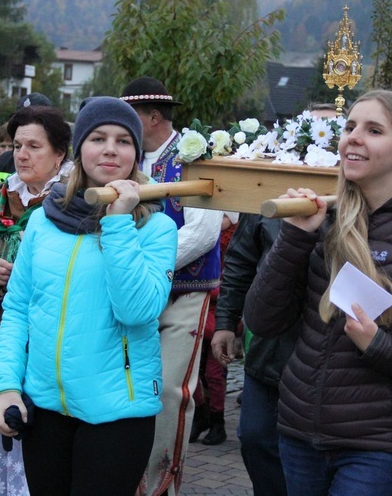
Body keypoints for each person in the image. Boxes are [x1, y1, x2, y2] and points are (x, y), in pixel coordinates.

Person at [242, 89, 392, 495]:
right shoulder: (322, 220)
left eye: (374, 130)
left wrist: (380, 346)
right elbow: (263, 321)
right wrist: (294, 239)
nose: (354, 137)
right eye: (350, 126)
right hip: (299, 434)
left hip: (380, 447)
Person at [0, 96, 178, 495]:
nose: (111, 148)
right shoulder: (44, 219)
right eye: (98, 137)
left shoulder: (156, 229)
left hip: (117, 415)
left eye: (124, 140)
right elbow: (18, 308)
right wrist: (5, 384)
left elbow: (138, 310)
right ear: (79, 150)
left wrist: (118, 223)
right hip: (46, 408)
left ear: (136, 154)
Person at [211, 103, 340, 496]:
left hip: (328, 349)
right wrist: (224, 322)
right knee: (255, 438)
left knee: (315, 450)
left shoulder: (355, 199)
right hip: (269, 345)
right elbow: (241, 262)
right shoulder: (270, 198)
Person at [0, 105, 73, 496]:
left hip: (60, 343)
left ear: (60, 154)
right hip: (5, 340)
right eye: (17, 145)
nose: (20, 154)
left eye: (33, 146)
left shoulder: (79, 203)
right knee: (10, 434)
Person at [120, 76, 223, 496]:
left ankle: (161, 485)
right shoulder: (129, 159)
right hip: (137, 290)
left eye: (131, 118)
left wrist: (143, 259)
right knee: (130, 384)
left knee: (168, 391)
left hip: (185, 289)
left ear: (154, 116)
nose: (122, 129)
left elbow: (205, 232)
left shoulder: (195, 156)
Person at [189, 212, 238, 446]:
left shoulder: (235, 243)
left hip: (220, 316)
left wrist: (210, 288)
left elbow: (233, 283)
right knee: (192, 372)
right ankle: (201, 415)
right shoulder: (203, 239)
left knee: (214, 373)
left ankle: (217, 421)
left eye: (225, 215)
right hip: (199, 313)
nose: (219, 220)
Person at [0, 91, 53, 182]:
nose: (24, 126)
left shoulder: (67, 173)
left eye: (34, 147)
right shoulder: (3, 160)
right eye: (20, 121)